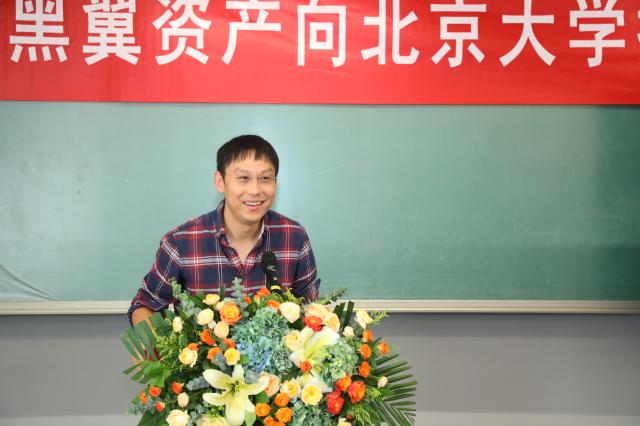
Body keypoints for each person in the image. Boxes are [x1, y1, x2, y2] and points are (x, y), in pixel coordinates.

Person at [128, 135, 319, 326]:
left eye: (265, 178)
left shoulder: (294, 238)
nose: (255, 190)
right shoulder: (181, 242)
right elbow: (144, 305)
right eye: (243, 178)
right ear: (220, 181)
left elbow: (311, 313)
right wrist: (158, 341)